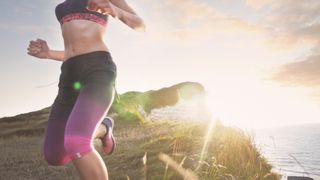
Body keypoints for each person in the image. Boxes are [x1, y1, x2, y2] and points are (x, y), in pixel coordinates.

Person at [27, 0, 145, 179]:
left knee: (76, 143)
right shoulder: (61, 8)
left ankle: (98, 131)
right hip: (68, 75)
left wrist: (115, 10)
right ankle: (104, 128)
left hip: (97, 69)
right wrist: (49, 54)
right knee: (55, 155)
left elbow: (140, 25)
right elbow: (73, 49)